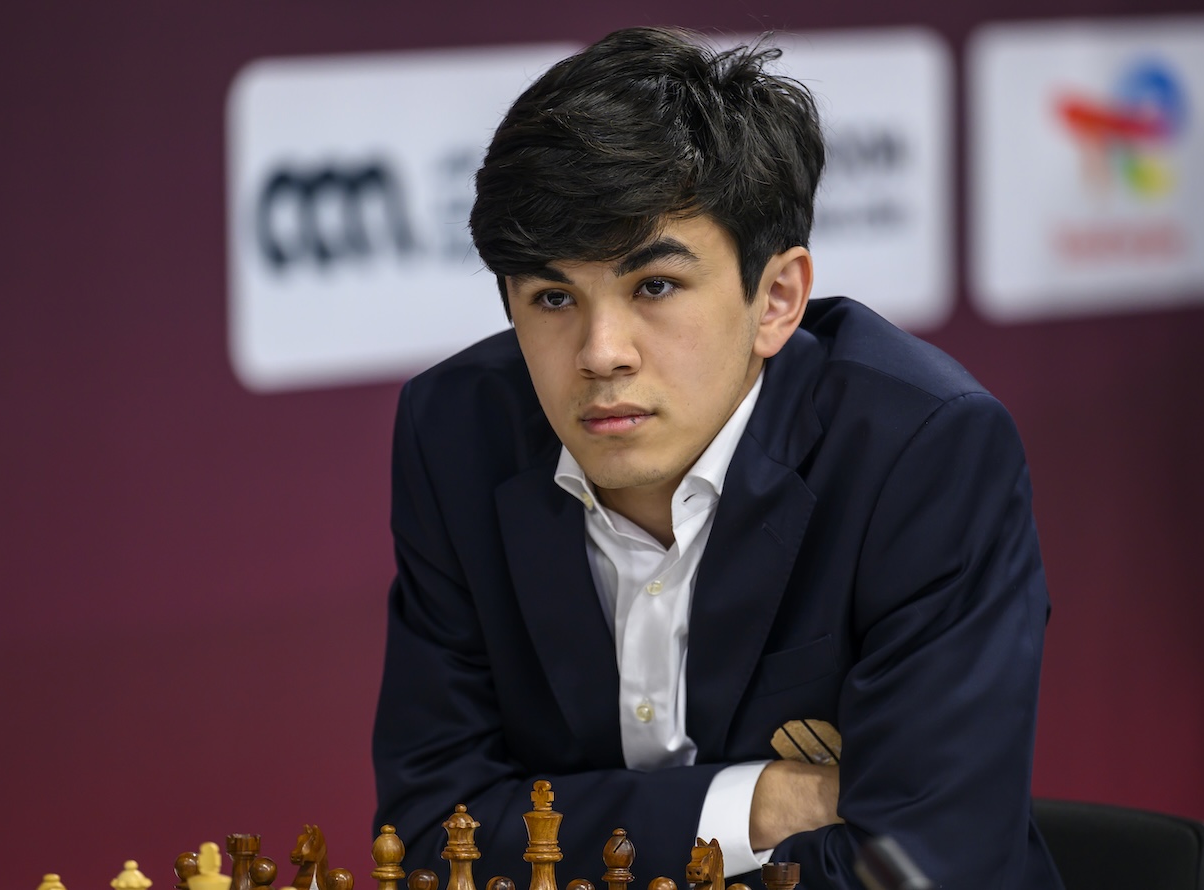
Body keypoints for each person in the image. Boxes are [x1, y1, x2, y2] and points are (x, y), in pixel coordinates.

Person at [372, 26, 1061, 890]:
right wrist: (756, 805)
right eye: (553, 297)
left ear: (776, 299)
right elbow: (436, 835)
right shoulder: (455, 437)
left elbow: (924, 867)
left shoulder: (922, 453)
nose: (601, 353)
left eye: (653, 286)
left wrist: (577, 826)